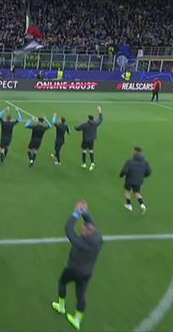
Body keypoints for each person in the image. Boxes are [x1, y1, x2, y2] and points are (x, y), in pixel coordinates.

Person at [51, 201, 102, 331]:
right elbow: (90, 222)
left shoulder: (81, 243)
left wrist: (75, 213)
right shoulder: (98, 237)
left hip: (74, 269)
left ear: (86, 233)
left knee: (62, 282)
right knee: (81, 295)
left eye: (82, 230)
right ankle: (77, 320)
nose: (81, 229)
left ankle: (61, 306)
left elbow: (69, 230)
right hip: (87, 272)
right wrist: (84, 211)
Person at [119, 146, 152, 213]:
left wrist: (121, 175)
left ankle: (129, 205)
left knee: (127, 191)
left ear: (134, 151)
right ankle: (142, 205)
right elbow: (149, 172)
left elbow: (124, 170)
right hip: (139, 181)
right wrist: (142, 176)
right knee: (137, 192)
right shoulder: (145, 162)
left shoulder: (130, 161)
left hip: (129, 179)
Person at [75, 107, 103, 171]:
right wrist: (100, 111)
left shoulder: (85, 124)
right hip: (91, 141)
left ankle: (84, 164)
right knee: (91, 151)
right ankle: (92, 162)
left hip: (85, 140)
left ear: (88, 118)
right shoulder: (95, 123)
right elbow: (100, 119)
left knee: (84, 151)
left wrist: (75, 127)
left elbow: (77, 128)